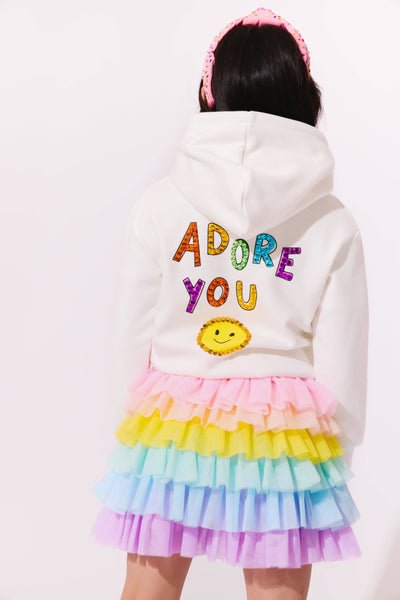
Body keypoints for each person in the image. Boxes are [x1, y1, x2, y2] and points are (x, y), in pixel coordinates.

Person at [90, 7, 369, 600]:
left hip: (174, 427)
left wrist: (131, 429)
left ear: (209, 92)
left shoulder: (161, 203)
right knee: (276, 592)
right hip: (282, 433)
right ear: (304, 96)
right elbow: (344, 353)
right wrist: (335, 447)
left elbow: (130, 332)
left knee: (147, 589)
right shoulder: (331, 220)